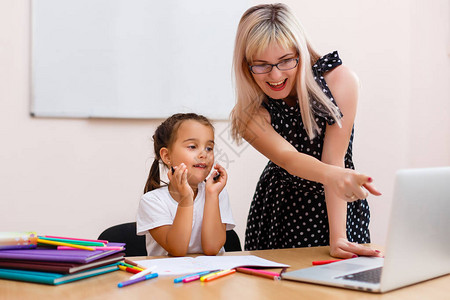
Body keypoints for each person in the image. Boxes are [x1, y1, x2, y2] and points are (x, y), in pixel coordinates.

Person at [230, 3, 381, 258]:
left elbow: (334, 158)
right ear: (246, 66)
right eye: (261, 64)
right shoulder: (249, 114)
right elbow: (289, 159)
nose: (275, 75)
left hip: (337, 203)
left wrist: (339, 237)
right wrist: (334, 175)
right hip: (281, 210)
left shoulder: (339, 81)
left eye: (286, 60)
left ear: (300, 52)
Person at [137, 113, 235, 256]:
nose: (203, 154)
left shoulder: (216, 192)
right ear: (167, 156)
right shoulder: (152, 201)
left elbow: (212, 248)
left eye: (209, 148)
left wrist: (212, 195)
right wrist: (186, 197)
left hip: (211, 275)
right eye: (192, 146)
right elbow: (177, 250)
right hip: (168, 277)